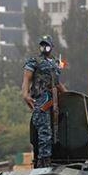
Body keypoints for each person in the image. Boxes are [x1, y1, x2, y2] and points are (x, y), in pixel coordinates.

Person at [21, 35, 68, 168]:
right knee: (44, 132)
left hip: (55, 100)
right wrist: (25, 94)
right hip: (42, 100)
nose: (44, 48)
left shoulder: (54, 62)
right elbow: (27, 78)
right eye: (42, 45)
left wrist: (68, 96)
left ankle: (55, 159)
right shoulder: (34, 61)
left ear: (51, 47)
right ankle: (43, 162)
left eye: (47, 45)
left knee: (56, 133)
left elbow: (58, 83)